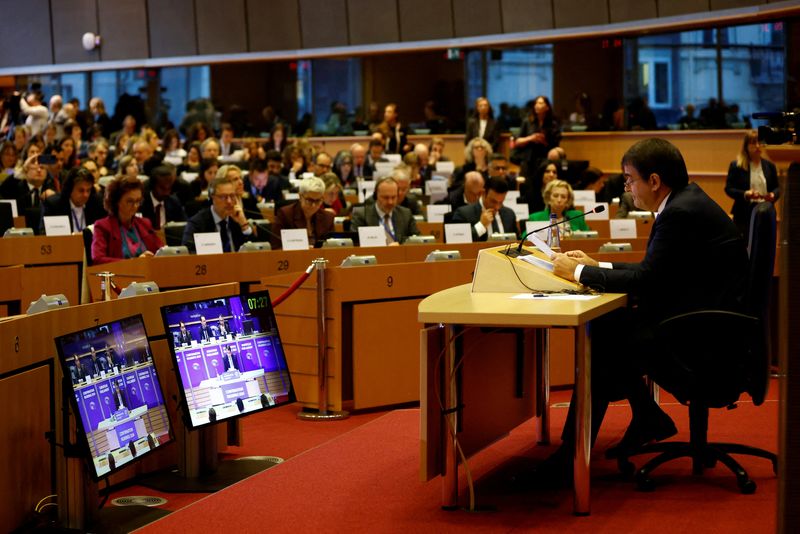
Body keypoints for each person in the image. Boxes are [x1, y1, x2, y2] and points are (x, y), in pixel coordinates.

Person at [543, 138, 749, 480]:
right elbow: (656, 269)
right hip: (710, 325)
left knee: (605, 335)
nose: (626, 188)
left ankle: (585, 448)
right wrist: (599, 265)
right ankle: (640, 419)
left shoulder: (680, 212)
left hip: (705, 341)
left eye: (629, 179)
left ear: (654, 181)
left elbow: (649, 279)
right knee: (609, 327)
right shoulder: (685, 202)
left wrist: (578, 272)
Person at [91, 176, 163, 264]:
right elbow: (98, 259)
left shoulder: (144, 223)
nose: (136, 206)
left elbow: (161, 251)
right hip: (120, 276)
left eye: (138, 201)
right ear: (116, 202)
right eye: (130, 201)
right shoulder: (103, 226)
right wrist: (134, 263)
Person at [725, 131, 779, 240]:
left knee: (765, 245)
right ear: (746, 146)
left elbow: (778, 187)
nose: (757, 146)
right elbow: (729, 189)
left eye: (760, 142)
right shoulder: (736, 166)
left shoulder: (770, 166)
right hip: (744, 213)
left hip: (766, 211)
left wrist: (773, 195)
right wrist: (745, 194)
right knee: (744, 248)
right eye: (753, 143)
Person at [182, 174, 255, 253]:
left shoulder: (238, 219)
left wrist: (244, 225)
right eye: (223, 197)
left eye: (232, 196)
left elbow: (255, 250)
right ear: (212, 198)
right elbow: (188, 252)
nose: (229, 201)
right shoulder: (197, 223)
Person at [350, 176, 419, 245]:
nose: (390, 202)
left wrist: (400, 246)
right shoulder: (361, 215)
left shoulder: (405, 214)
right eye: (385, 197)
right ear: (376, 195)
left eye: (393, 197)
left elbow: (417, 240)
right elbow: (356, 244)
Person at [271, 176, 334, 249]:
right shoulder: (285, 215)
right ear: (300, 196)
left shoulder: (328, 218)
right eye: (309, 200)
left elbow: (331, 247)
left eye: (318, 201)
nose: (313, 205)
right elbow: (276, 247)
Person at [41, 167, 105, 232]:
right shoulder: (54, 205)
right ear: (70, 189)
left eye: (88, 190)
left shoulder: (97, 204)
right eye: (81, 190)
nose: (86, 195)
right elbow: (45, 234)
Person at [452, 177, 517, 241]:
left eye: (501, 202)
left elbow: (518, 242)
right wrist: (481, 225)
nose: (497, 207)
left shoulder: (510, 214)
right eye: (493, 201)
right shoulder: (463, 213)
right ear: (483, 193)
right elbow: (457, 241)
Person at [512, 96, 561, 178]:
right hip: (528, 160)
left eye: (540, 103)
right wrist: (531, 138)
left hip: (545, 160)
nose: (537, 105)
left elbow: (556, 145)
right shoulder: (527, 121)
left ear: (547, 107)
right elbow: (517, 142)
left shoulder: (553, 124)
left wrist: (543, 141)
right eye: (536, 103)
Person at [140, 163, 187, 230]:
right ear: (152, 186)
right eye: (162, 188)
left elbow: (183, 224)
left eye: (169, 188)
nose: (167, 193)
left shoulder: (174, 202)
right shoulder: (142, 203)